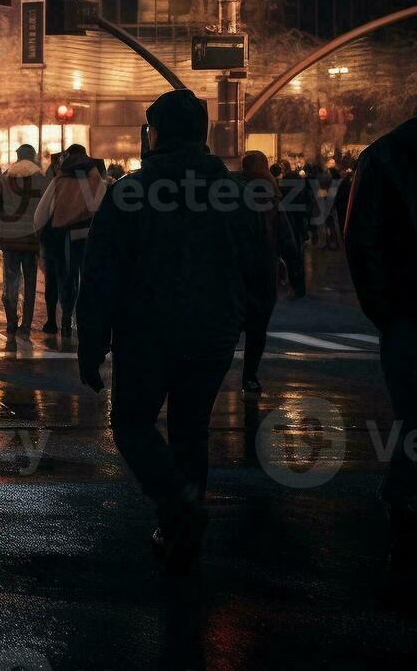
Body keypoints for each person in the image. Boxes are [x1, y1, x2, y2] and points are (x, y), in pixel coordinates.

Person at [77, 90, 267, 570]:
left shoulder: (130, 192)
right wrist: (251, 323)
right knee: (191, 429)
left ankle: (178, 504)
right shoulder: (235, 193)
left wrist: (92, 344)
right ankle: (183, 526)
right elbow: (262, 266)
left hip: (147, 333)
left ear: (154, 134)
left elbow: (99, 275)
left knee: (132, 423)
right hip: (214, 333)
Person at [345, 68, 417, 568]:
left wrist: (384, 311)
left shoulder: (387, 154)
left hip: (415, 318)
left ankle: (403, 502)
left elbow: (361, 239)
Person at [238, 151, 297, 394]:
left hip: (238, 270)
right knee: (258, 328)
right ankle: (250, 376)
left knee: (230, 325)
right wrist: (294, 273)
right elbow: (287, 239)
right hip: (264, 271)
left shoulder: (233, 193)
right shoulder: (273, 197)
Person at [33, 144, 105, 335]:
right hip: (89, 236)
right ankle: (86, 320)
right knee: (88, 278)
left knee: (63, 276)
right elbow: (102, 207)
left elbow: (42, 212)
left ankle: (60, 320)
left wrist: (40, 233)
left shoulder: (60, 179)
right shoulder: (96, 178)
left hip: (62, 236)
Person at [0, 144, 48, 337]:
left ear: (17, 156)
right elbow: (48, 208)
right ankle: (26, 324)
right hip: (31, 239)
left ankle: (11, 321)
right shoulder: (41, 179)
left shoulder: (4, 179)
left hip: (10, 239)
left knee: (11, 280)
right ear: (33, 156)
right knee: (30, 283)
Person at [277, 163, 313, 298]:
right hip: (298, 224)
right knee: (297, 256)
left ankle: (286, 284)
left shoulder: (281, 190)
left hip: (287, 224)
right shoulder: (302, 189)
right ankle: (299, 288)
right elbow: (309, 205)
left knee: (287, 255)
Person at [39, 151, 65, 333]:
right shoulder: (88, 179)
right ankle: (67, 320)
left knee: (53, 280)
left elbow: (40, 214)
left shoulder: (52, 181)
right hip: (78, 238)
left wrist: (40, 236)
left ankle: (52, 320)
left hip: (53, 237)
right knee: (70, 278)